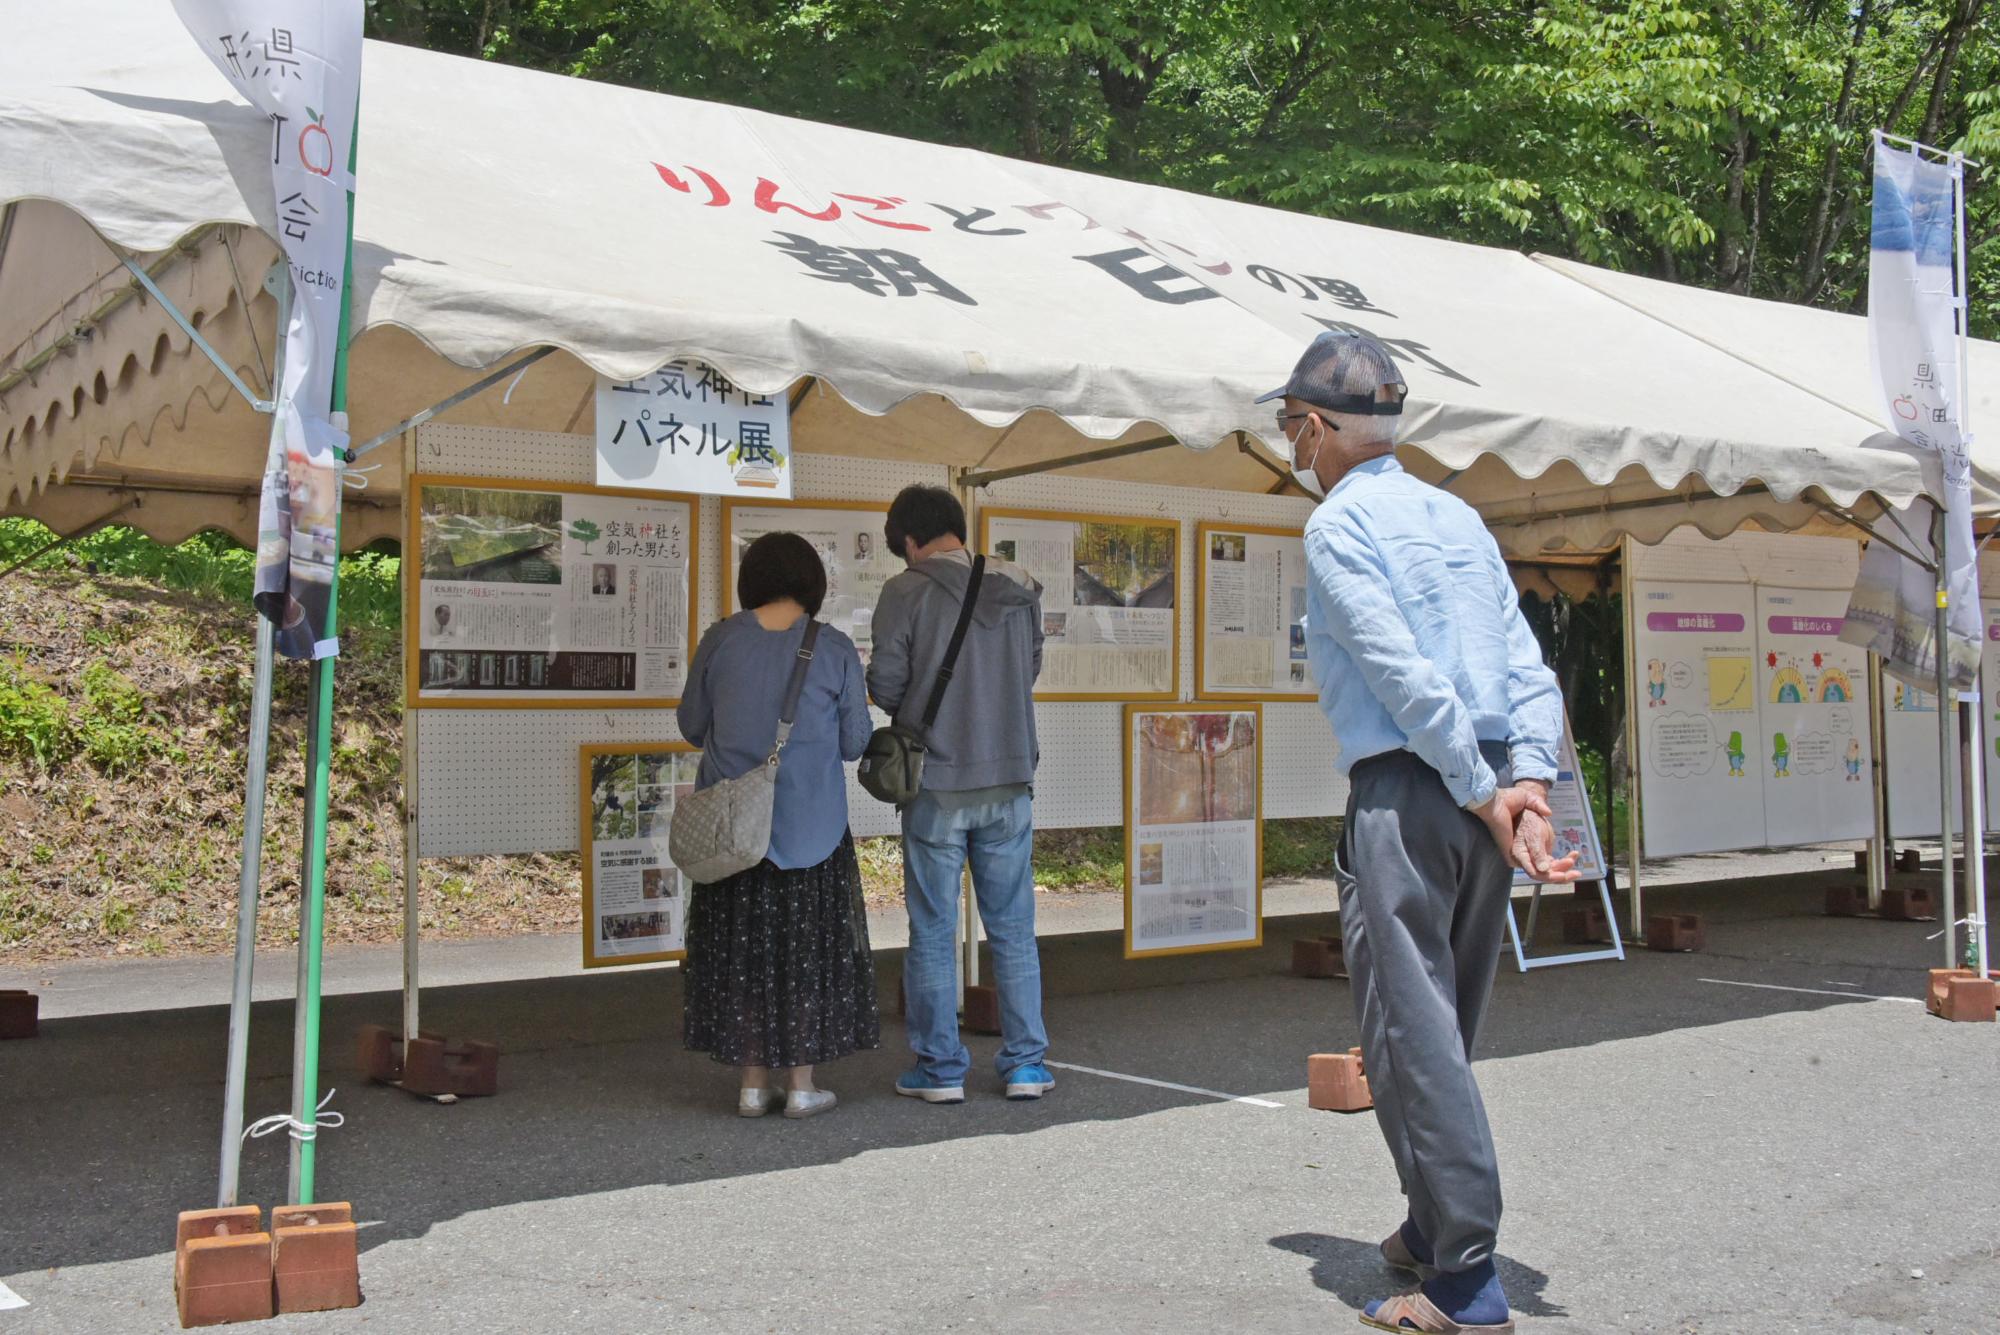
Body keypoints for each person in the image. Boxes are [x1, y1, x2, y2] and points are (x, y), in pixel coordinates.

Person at [1268, 331, 1580, 1334]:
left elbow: (1400, 674)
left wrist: (1478, 783)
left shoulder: (1338, 527)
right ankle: (1426, 1222)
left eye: (1290, 428)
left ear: (1314, 425)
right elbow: (1526, 665)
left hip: (1410, 792)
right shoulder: (1457, 518)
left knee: (1411, 1036)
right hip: (1482, 786)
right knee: (1443, 1026)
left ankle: (1461, 1277)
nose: (1292, 447)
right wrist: (1520, 781)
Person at [676, 532, 878, 1119]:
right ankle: (803, 1085)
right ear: (814, 584)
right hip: (809, 830)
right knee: (806, 955)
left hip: (734, 832)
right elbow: (854, 742)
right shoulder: (835, 648)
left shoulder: (720, 639)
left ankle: (750, 1083)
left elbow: (692, 724)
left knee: (741, 954)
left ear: (751, 580)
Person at [867, 485, 1052, 1104]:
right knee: (1014, 930)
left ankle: (941, 1068)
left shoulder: (906, 591)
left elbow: (888, 686)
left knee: (934, 930)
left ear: (911, 540)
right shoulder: (1021, 586)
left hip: (938, 784)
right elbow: (1028, 670)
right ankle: (1027, 1064)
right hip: (1009, 779)